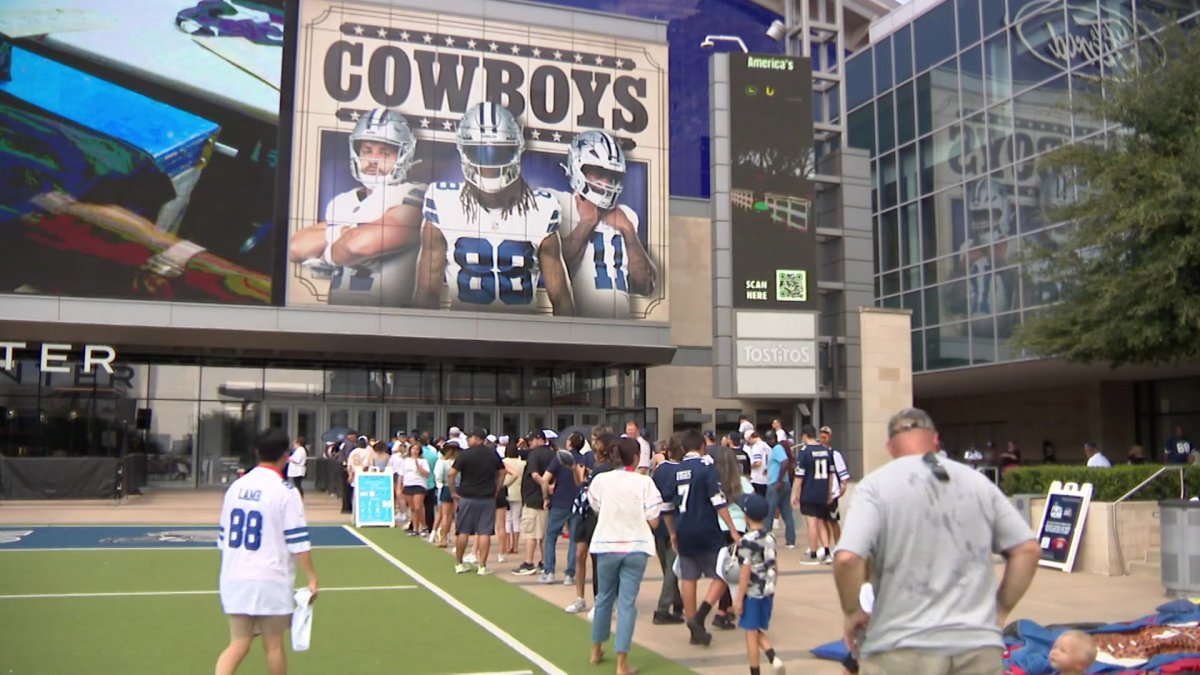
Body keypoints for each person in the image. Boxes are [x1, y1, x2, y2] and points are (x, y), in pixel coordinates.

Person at [833, 408, 1040, 673]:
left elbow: (848, 558)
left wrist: (852, 612)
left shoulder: (875, 486)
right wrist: (999, 611)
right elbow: (1027, 549)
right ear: (935, 440)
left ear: (890, 447)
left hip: (900, 648)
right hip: (976, 647)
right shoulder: (978, 482)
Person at [413, 102, 575, 315]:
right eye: (480, 152)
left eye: (499, 153)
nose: (489, 164)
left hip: (524, 338)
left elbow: (562, 302)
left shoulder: (542, 208)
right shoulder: (442, 202)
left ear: (516, 151)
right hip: (461, 338)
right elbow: (426, 296)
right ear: (464, 152)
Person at [288, 108, 426, 307]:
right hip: (341, 319)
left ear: (404, 155)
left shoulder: (416, 194)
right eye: (366, 151)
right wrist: (346, 234)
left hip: (390, 322)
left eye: (384, 153)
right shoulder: (344, 201)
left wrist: (327, 250)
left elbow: (357, 245)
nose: (372, 160)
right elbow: (295, 247)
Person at [215, 428, 318, 675]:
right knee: (273, 646)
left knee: (238, 643)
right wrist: (312, 577)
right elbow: (297, 540)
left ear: (256, 452)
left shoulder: (237, 487)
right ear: (286, 455)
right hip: (271, 577)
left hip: (235, 576)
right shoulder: (285, 491)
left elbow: (222, 538)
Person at [553, 129, 657, 320]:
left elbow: (645, 285)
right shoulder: (559, 203)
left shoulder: (627, 216)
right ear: (578, 167)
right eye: (599, 173)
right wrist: (587, 222)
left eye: (612, 175)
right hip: (579, 327)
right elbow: (554, 268)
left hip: (621, 327)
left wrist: (628, 230)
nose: (607, 182)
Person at [587, 436, 664, 675]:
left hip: (607, 543)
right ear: (636, 457)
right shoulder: (645, 483)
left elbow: (596, 507)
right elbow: (653, 520)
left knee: (603, 599)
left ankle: (596, 649)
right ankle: (622, 663)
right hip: (636, 546)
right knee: (627, 604)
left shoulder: (601, 480)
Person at [659, 429, 740, 647]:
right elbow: (718, 501)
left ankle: (694, 628)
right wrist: (732, 528)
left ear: (684, 448)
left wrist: (673, 532)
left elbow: (666, 507)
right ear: (703, 446)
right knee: (723, 572)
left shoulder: (676, 471)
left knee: (689, 577)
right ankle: (700, 617)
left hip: (683, 529)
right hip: (706, 528)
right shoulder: (706, 468)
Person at [732, 493, 786, 675]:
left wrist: (739, 599)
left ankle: (755, 671)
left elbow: (745, 571)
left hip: (753, 593)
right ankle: (773, 658)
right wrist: (773, 585)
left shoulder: (746, 541)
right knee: (754, 629)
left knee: (750, 633)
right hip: (768, 590)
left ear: (746, 516)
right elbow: (775, 565)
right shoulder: (770, 537)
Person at [448, 429, 506, 575]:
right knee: (485, 531)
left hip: (467, 496)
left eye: (470, 437)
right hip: (487, 497)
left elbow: (451, 473)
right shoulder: (492, 453)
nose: (468, 439)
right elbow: (502, 472)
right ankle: (482, 566)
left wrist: (453, 491)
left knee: (463, 531)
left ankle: (459, 563)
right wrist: (497, 489)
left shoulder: (466, 454)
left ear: (477, 438)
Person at [541, 430, 594, 585]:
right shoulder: (584, 459)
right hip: (577, 503)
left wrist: (546, 497)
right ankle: (569, 575)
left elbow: (545, 479)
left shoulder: (560, 458)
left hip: (559, 502)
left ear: (569, 442)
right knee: (574, 539)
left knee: (550, 537)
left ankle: (549, 571)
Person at [651, 433, 685, 625]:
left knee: (668, 567)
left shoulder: (660, 470)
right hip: (675, 520)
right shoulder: (681, 470)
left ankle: (676, 600)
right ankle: (663, 608)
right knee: (672, 567)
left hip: (658, 521)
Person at [513, 430, 555, 576]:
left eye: (531, 440)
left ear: (538, 439)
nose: (530, 443)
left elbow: (535, 474)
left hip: (533, 498)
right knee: (544, 533)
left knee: (530, 533)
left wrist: (545, 485)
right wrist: (551, 487)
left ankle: (529, 562)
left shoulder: (535, 454)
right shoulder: (552, 453)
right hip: (548, 501)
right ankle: (545, 562)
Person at [791, 425, 834, 565]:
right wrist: (829, 492)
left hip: (809, 491)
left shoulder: (804, 452)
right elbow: (831, 474)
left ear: (804, 436)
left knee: (812, 523)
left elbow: (799, 476)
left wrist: (794, 494)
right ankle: (827, 551)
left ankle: (814, 553)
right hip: (822, 490)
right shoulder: (826, 451)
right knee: (821, 522)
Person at [763, 430, 796, 549]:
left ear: (775, 439)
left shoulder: (777, 449)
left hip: (776, 484)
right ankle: (791, 541)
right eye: (767, 439)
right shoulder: (776, 449)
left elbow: (784, 462)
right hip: (784, 483)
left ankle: (765, 539)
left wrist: (779, 480)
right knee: (787, 513)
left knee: (769, 512)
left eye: (770, 439)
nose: (768, 441)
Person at [819, 425, 851, 544]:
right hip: (819, 492)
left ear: (829, 437)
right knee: (821, 521)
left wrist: (843, 486)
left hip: (832, 493)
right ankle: (826, 546)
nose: (823, 437)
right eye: (821, 434)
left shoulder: (835, 454)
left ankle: (838, 545)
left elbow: (843, 474)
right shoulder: (816, 453)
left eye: (825, 434)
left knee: (832, 520)